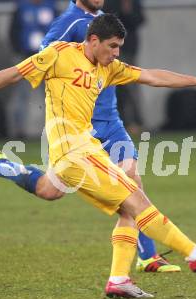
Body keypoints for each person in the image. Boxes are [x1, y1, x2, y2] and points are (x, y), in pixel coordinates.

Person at [0, 14, 196, 299]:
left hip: (83, 149)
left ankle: (1, 166)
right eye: (112, 46)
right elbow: (14, 73)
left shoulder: (108, 68)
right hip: (74, 152)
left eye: (119, 47)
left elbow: (151, 76)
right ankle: (195, 254)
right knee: (136, 200)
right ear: (93, 40)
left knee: (55, 192)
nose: (116, 52)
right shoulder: (59, 54)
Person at [41, 0, 180, 274]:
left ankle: (148, 257)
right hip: (80, 128)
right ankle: (2, 166)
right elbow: (44, 60)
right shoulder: (69, 21)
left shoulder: (105, 20)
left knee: (132, 182)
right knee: (51, 190)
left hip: (111, 120)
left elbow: (139, 73)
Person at [9, 0, 57, 138]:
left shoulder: (51, 7)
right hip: (26, 57)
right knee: (21, 94)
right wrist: (18, 50)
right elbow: (13, 31)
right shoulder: (21, 7)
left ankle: (53, 130)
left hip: (48, 59)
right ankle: (19, 130)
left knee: (52, 94)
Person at [103, 0, 145, 132]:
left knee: (131, 85)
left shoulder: (133, 2)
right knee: (111, 88)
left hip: (128, 49)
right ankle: (114, 122)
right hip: (109, 50)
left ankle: (135, 121)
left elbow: (140, 19)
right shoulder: (108, 3)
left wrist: (127, 10)